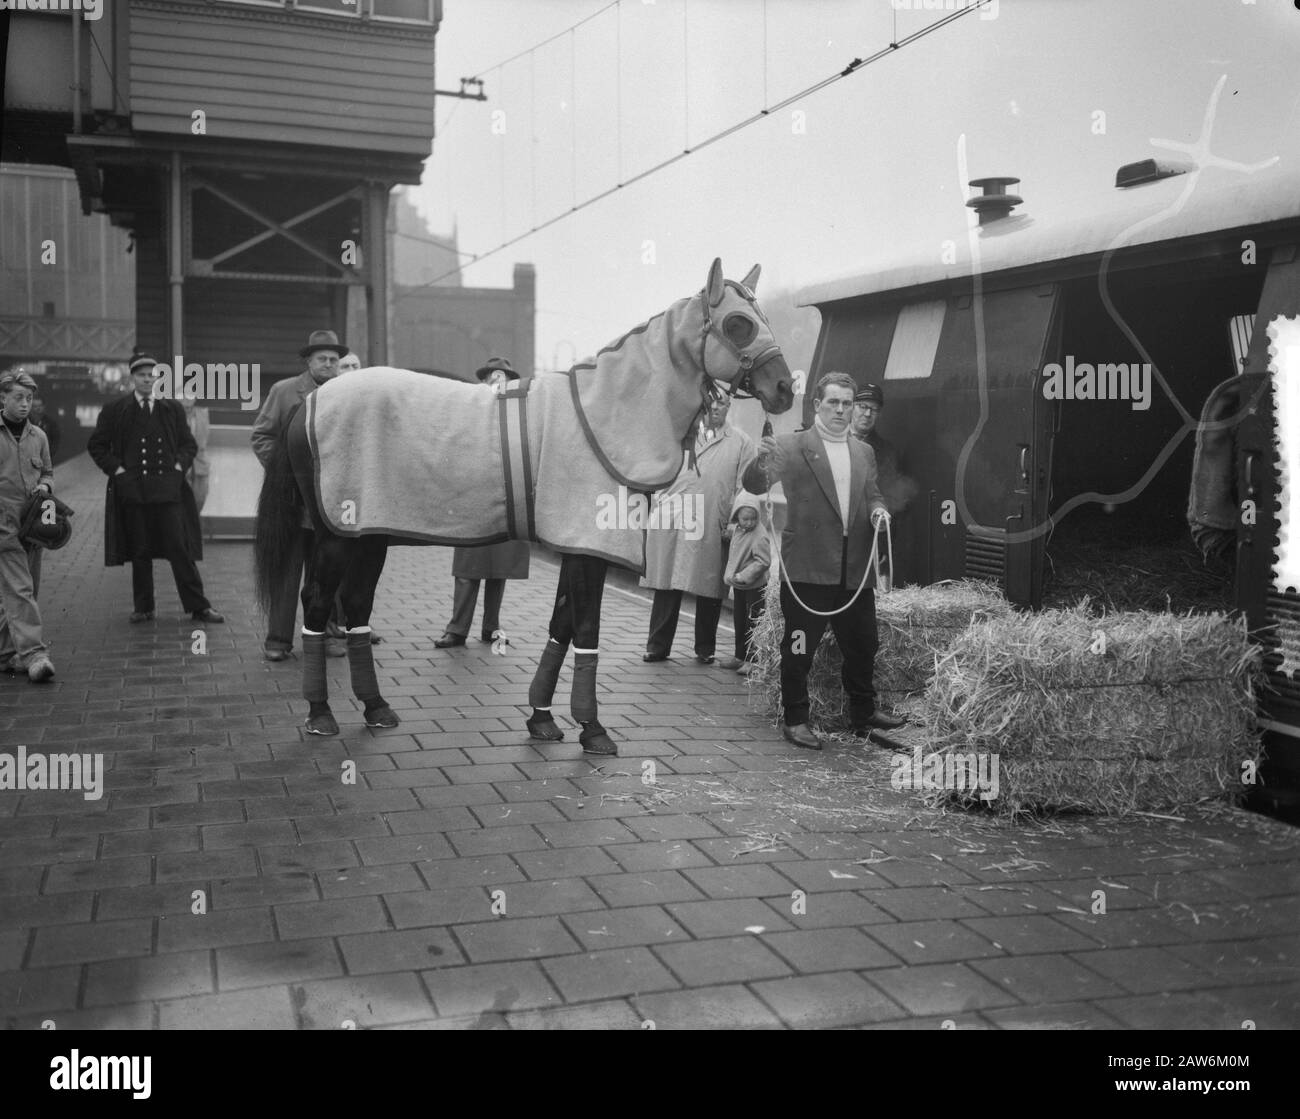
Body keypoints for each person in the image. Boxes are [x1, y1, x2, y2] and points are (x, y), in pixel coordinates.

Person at [742, 371, 905, 751]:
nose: (842, 410)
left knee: (864, 643)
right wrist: (759, 460)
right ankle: (796, 719)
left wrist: (880, 511)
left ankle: (863, 712)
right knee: (799, 647)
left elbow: (874, 494)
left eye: (847, 404)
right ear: (817, 405)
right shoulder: (789, 445)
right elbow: (754, 485)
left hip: (854, 569)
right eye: (834, 402)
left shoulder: (863, 451)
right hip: (809, 569)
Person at [87, 351, 224, 625]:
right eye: (142, 375)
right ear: (132, 378)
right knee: (140, 549)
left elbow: (188, 445)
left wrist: (177, 469)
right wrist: (119, 471)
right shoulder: (116, 410)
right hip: (133, 491)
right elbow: (97, 446)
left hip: (167, 490)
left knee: (179, 547)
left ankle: (199, 606)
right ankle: (144, 607)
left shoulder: (171, 408)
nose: (147, 380)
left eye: (152, 375)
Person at [250, 330, 354, 660]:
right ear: (308, 361)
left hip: (330, 504)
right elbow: (261, 436)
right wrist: (284, 473)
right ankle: (278, 640)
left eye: (334, 360)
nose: (328, 364)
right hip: (290, 503)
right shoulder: (284, 392)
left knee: (326, 573)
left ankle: (322, 636)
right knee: (286, 572)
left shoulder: (348, 394)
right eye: (321, 358)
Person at [641, 392, 755, 666]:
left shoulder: (741, 442)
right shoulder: (680, 435)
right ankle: (658, 646)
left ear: (730, 407)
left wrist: (735, 519)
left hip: (713, 521)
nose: (716, 407)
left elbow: (746, 487)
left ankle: (705, 648)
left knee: (710, 587)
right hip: (674, 519)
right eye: (711, 401)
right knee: (667, 582)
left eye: (722, 403)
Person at [433, 357, 531, 648]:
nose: (497, 382)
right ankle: (457, 629)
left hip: (506, 496)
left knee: (499, 567)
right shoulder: (467, 410)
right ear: (484, 380)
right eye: (492, 377)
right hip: (473, 496)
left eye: (503, 377)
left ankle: (491, 626)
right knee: (467, 566)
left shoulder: (519, 411)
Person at [0, 371, 56, 681]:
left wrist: (45, 487)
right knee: (20, 589)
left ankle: (6, 655)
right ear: (2, 398)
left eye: (29, 398)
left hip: (33, 526)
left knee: (26, 589)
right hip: (3, 526)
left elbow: (47, 472)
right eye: (18, 398)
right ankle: (35, 655)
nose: (25, 404)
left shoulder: (40, 437)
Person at [851, 383, 907, 589]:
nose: (867, 414)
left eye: (873, 410)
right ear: (851, 407)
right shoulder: (830, 442)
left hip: (867, 540)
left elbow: (890, 501)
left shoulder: (886, 452)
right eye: (862, 406)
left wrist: (883, 547)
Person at [722, 490, 771, 673]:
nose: (749, 522)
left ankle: (752, 660)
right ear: (737, 517)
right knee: (740, 620)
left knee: (753, 622)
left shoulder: (759, 535)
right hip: (740, 586)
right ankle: (739, 655)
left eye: (752, 518)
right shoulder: (739, 530)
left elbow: (764, 561)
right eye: (744, 519)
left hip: (754, 586)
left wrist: (744, 575)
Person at [180, 391, 211, 513]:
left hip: (199, 461)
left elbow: (206, 437)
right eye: (184, 396)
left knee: (200, 497)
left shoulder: (203, 413)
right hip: (180, 462)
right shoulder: (172, 414)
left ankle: (194, 524)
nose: (187, 399)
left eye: (190, 396)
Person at [30, 395, 61, 461]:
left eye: (40, 406)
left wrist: (48, 455)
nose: (38, 408)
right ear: (31, 407)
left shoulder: (51, 423)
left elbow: (55, 441)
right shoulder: (25, 423)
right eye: (35, 406)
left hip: (46, 459)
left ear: (44, 406)